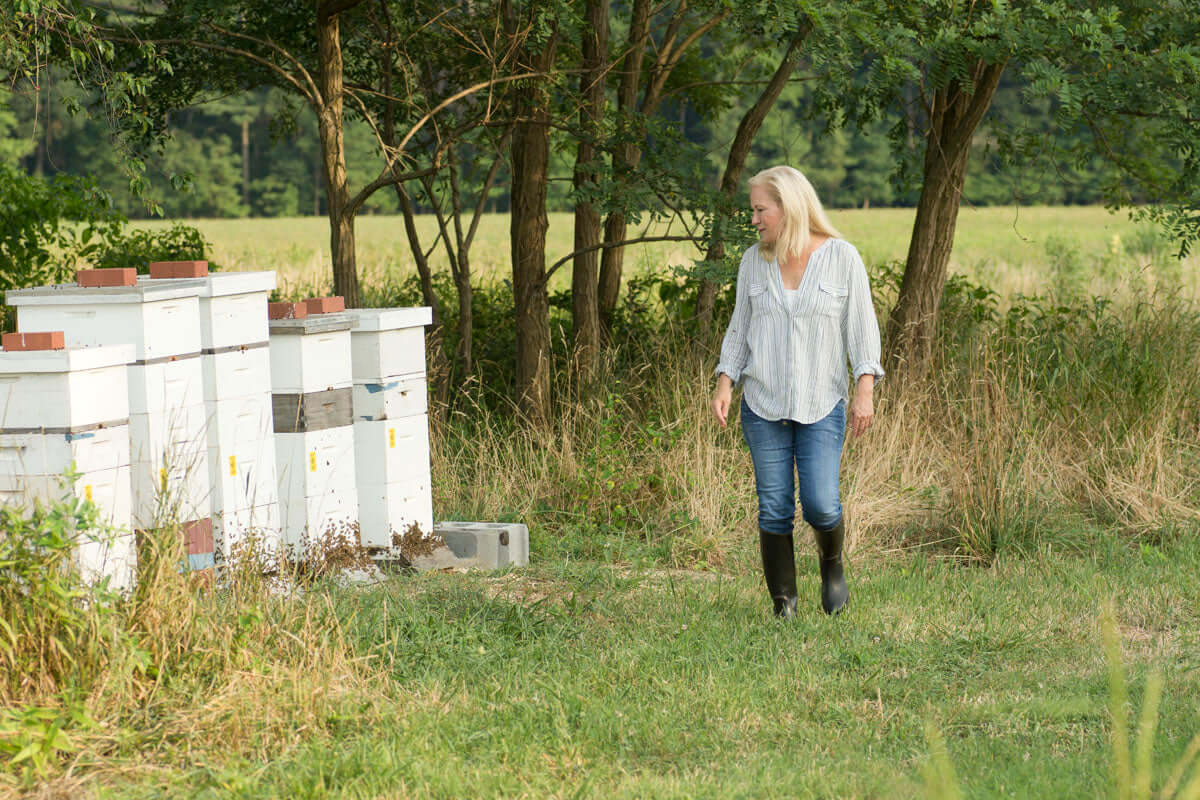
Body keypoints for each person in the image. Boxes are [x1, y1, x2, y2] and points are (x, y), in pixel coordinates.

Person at [711, 165, 884, 618]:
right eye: (753, 211)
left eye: (760, 209)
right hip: (763, 405)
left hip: (821, 403)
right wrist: (725, 381)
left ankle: (832, 568)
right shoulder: (754, 261)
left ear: (788, 206)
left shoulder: (842, 257)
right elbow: (739, 328)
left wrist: (864, 391)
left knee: (821, 503)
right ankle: (783, 603)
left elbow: (862, 331)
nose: (754, 220)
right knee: (773, 506)